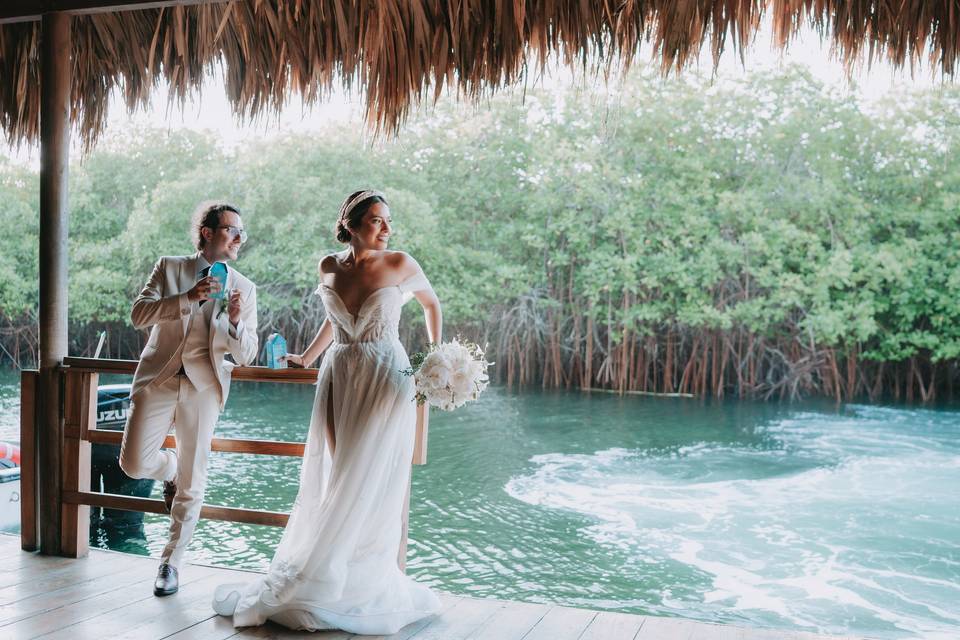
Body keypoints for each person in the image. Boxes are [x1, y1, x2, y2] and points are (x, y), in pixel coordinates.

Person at [212, 190, 443, 634]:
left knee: (369, 473)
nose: (387, 229)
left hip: (385, 374)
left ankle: (357, 575)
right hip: (338, 371)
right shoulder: (328, 266)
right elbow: (331, 319)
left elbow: (431, 305)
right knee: (339, 471)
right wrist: (309, 356)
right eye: (377, 220)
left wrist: (433, 359)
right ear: (352, 224)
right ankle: (330, 568)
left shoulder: (400, 263)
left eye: (388, 221)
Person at [119, 201, 259, 596]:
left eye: (241, 233)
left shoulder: (245, 288)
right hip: (158, 379)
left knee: (195, 480)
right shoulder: (169, 268)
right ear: (207, 233)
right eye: (231, 230)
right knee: (133, 463)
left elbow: (247, 353)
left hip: (204, 387)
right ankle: (170, 469)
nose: (238, 238)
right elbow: (138, 315)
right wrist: (189, 297)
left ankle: (170, 563)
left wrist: (233, 322)